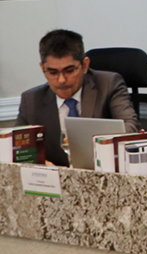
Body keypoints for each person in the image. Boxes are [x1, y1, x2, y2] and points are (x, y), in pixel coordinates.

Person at [15, 29, 139, 167]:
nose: (61, 80)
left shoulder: (108, 84)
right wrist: (38, 163)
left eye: (69, 71)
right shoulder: (31, 100)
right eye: (53, 72)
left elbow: (130, 126)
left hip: (100, 175)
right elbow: (17, 149)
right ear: (42, 68)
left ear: (84, 65)